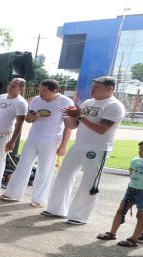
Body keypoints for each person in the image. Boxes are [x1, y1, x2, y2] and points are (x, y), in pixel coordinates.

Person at [44, 76, 126, 224]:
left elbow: (102, 129)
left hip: (98, 149)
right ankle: (56, 209)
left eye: (96, 87)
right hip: (78, 145)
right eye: (92, 86)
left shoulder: (114, 105)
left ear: (109, 88)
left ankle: (78, 216)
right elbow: (73, 125)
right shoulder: (88, 102)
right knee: (64, 175)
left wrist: (80, 116)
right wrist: (68, 115)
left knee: (89, 183)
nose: (92, 89)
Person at [0, 79, 73, 207]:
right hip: (33, 138)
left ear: (55, 91)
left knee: (45, 170)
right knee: (23, 165)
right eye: (40, 89)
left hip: (51, 140)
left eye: (44, 91)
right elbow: (28, 118)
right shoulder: (36, 100)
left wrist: (63, 145)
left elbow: (69, 126)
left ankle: (39, 200)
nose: (40, 93)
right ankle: (12, 194)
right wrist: (30, 118)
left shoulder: (65, 102)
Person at [96, 140, 143, 247]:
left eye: (142, 150)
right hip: (131, 190)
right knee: (120, 211)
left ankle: (134, 239)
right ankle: (112, 233)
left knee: (141, 216)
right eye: (139, 150)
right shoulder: (135, 161)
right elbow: (131, 171)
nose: (140, 152)